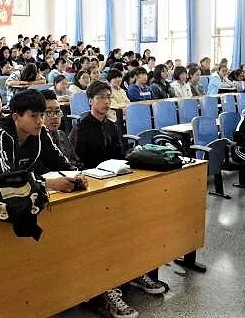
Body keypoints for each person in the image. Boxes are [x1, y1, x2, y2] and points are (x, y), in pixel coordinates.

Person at [70, 81, 164, 314]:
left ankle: (133, 271)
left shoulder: (112, 126)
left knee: (132, 228)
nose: (106, 101)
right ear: (90, 100)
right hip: (92, 189)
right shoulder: (81, 127)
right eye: (101, 97)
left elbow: (120, 154)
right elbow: (76, 163)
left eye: (108, 97)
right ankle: (105, 286)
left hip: (115, 184)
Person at [0, 89, 86, 192]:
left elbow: (58, 160)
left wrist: (76, 175)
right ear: (16, 117)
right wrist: (48, 184)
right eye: (33, 116)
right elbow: (6, 178)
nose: (39, 121)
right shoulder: (0, 134)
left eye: (42, 115)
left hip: (24, 194)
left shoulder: (40, 131)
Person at [41, 90, 83, 169]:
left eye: (57, 112)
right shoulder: (36, 142)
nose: (55, 116)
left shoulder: (61, 135)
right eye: (49, 112)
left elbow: (75, 161)